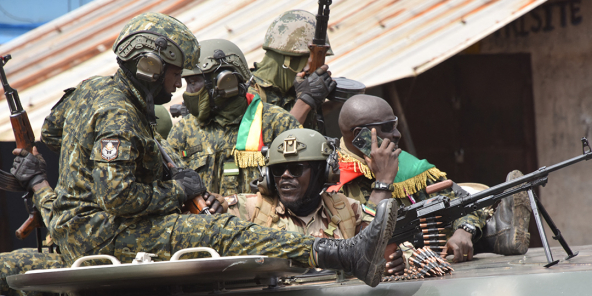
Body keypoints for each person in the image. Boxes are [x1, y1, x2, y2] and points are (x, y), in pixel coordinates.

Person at [5, 13, 400, 292]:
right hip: (100, 232)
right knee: (220, 231)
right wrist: (179, 188)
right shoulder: (119, 115)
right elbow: (119, 197)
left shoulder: (93, 89)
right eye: (176, 73)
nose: (179, 86)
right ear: (148, 67)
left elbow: (53, 131)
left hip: (80, 224)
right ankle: (344, 255)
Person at [335, 94, 531, 262]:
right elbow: (359, 246)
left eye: (394, 124)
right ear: (359, 135)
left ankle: (498, 235)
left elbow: (464, 202)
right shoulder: (334, 178)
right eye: (387, 127)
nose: (397, 133)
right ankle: (497, 234)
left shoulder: (406, 164)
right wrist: (383, 183)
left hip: (434, 258)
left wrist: (464, 231)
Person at [226, 128, 404, 275]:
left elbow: (388, 246)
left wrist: (397, 262)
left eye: (296, 169)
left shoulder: (346, 209)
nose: (285, 176)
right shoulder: (248, 209)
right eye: (278, 170)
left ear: (323, 172)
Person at [167, 39, 304, 197]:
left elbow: (301, 187)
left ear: (226, 82)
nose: (188, 92)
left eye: (192, 82)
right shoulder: (183, 131)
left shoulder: (278, 123)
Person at [250, 10, 336, 131]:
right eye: (311, 60)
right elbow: (274, 145)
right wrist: (305, 101)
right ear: (289, 59)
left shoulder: (297, 92)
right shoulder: (246, 95)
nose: (315, 70)